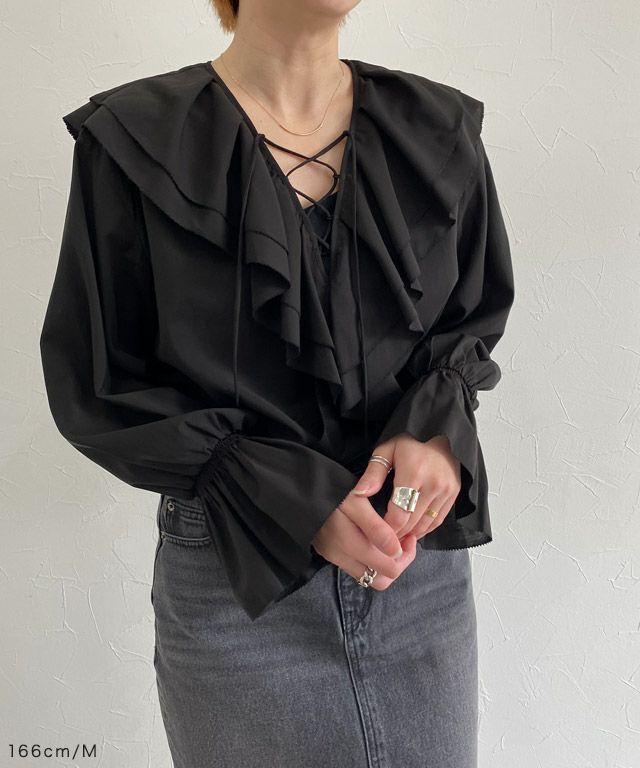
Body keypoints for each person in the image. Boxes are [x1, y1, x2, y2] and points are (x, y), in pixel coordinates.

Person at [39, 0, 515, 765]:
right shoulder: (135, 140)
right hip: (238, 582)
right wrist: (280, 492)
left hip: (416, 574)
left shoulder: (435, 129)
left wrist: (435, 429)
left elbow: (469, 320)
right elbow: (98, 377)